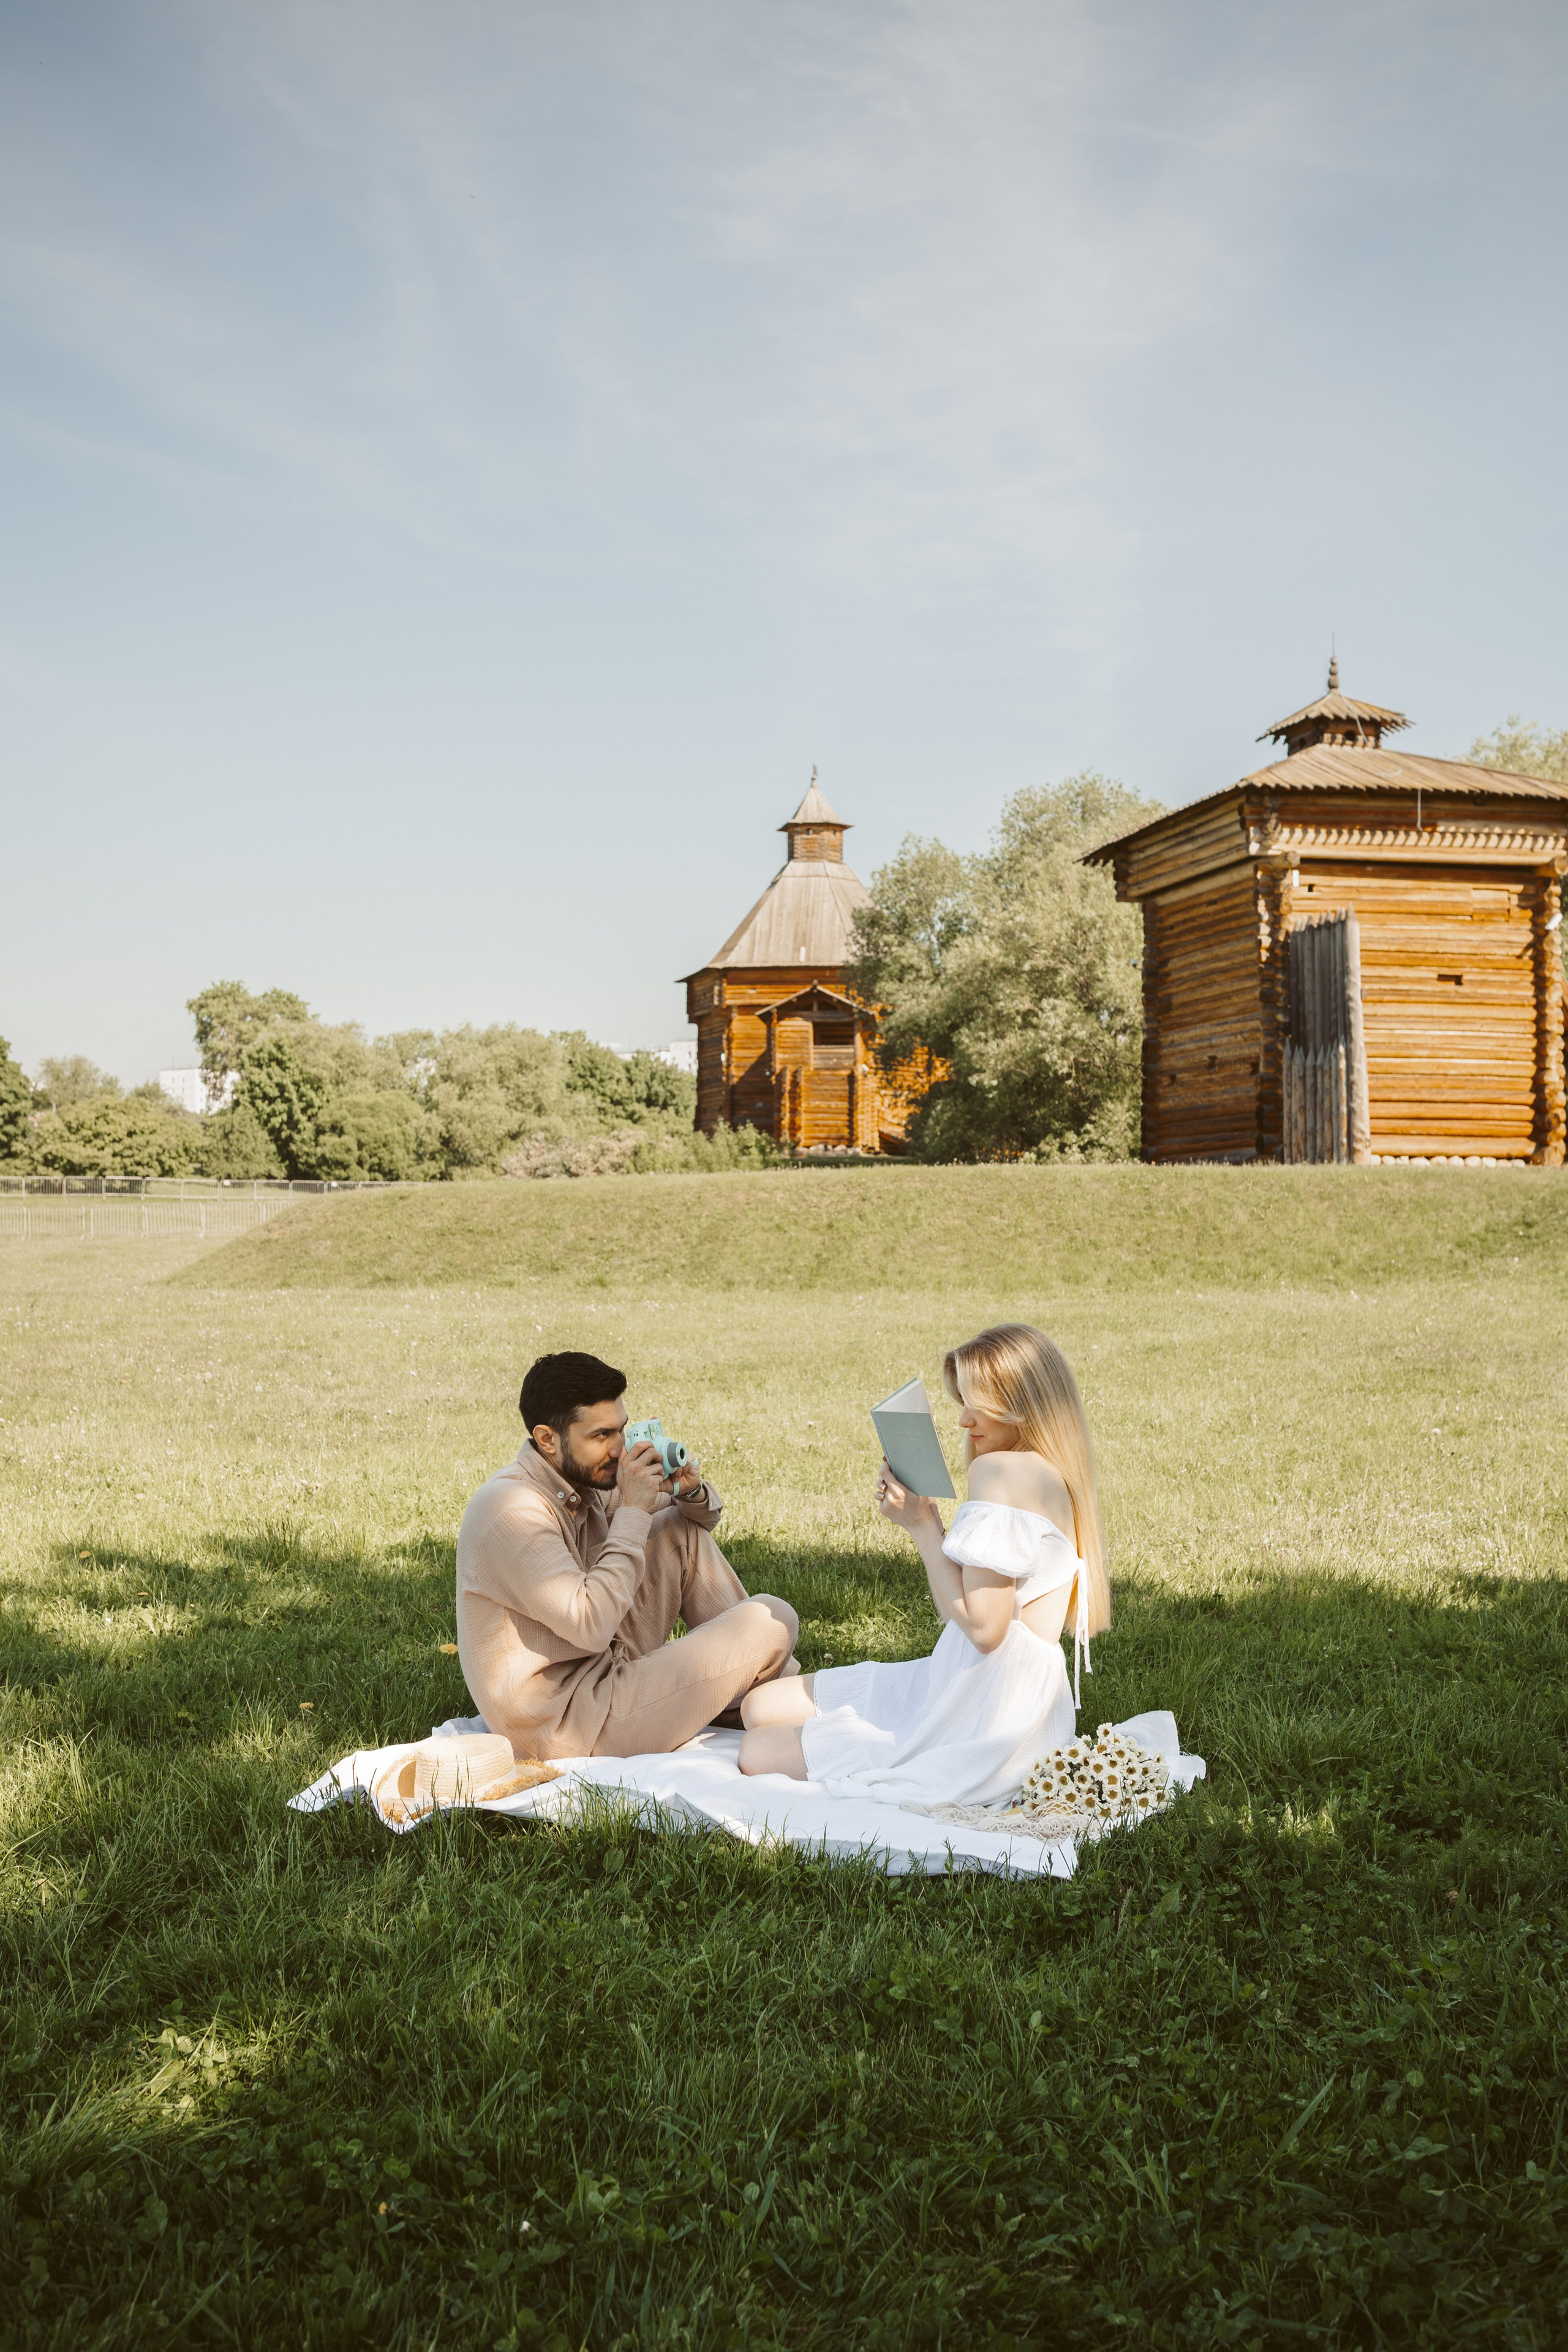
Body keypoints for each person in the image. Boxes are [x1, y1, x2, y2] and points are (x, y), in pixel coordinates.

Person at [737, 1323, 1110, 1806]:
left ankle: (852, 1737)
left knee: (754, 1749)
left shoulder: (998, 1471)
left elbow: (985, 1630)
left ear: (1021, 1403)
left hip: (988, 1707)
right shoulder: (1047, 1471)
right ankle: (840, 1729)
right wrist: (925, 1519)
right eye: (962, 1403)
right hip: (977, 1682)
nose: (964, 1421)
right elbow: (965, 1615)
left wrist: (924, 1528)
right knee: (758, 1706)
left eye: (979, 1404)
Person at [457, 1351, 799, 1762]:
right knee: (770, 1620)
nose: (620, 1450)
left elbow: (701, 1520)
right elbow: (591, 1627)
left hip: (604, 1672)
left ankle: (765, 1697)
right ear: (548, 1439)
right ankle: (784, 1699)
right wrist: (634, 1511)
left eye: (621, 1430)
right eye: (601, 1436)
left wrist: (688, 1489)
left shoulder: (581, 1478)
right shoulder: (512, 1511)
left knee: (677, 1532)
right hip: (569, 1727)